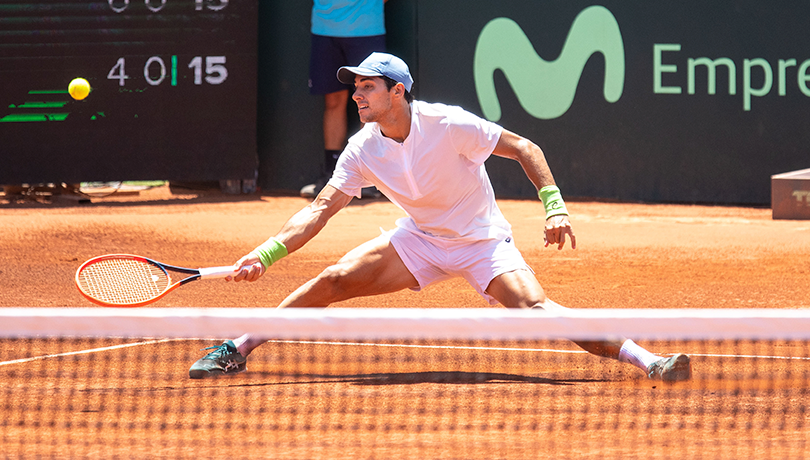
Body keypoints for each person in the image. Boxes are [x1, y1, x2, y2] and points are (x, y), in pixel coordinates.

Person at [190, 52, 692, 382]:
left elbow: (523, 147)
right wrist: (266, 253)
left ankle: (649, 360)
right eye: (356, 88)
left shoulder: (448, 124)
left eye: (368, 87)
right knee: (335, 278)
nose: (358, 96)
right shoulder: (362, 148)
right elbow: (321, 209)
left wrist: (554, 207)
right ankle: (237, 347)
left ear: (398, 92)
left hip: (481, 243)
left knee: (535, 309)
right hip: (420, 241)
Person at [300, 0, 387, 199]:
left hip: (367, 30)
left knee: (370, 102)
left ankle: (368, 177)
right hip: (324, 30)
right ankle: (332, 176)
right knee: (333, 102)